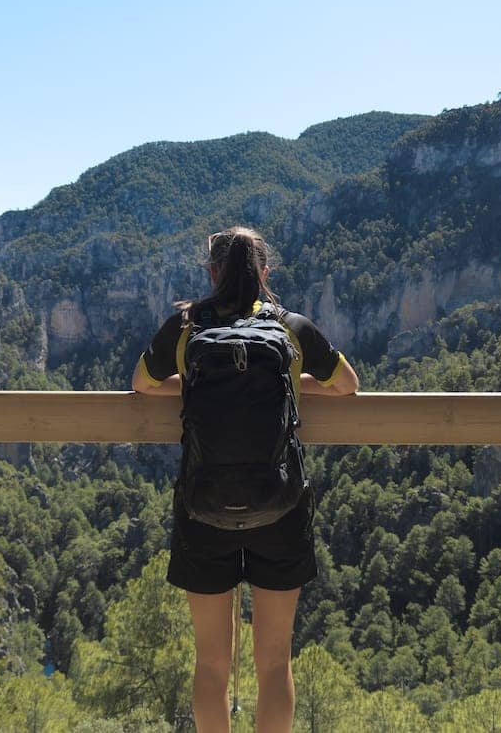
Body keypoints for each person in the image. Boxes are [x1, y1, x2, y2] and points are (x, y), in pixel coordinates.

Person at [132, 226, 359, 733]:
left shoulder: (187, 327)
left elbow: (142, 384)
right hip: (280, 506)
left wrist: (192, 383)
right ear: (264, 272)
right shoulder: (291, 326)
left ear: (211, 272)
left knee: (212, 664)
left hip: (203, 507)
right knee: (275, 663)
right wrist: (293, 384)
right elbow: (347, 385)